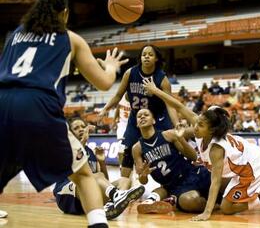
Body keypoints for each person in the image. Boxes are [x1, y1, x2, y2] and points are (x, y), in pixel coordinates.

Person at [0, 0, 128, 228]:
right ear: (65, 14)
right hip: (37, 104)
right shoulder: (69, 38)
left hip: (3, 102)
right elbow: (103, 83)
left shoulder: (13, 35)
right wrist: (110, 66)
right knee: (83, 176)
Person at [142, 79, 260, 221]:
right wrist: (155, 90)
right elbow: (178, 105)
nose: (195, 126)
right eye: (197, 122)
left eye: (200, 125)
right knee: (223, 188)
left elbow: (215, 182)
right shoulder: (202, 125)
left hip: (253, 167)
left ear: (211, 131)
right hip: (244, 160)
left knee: (226, 208)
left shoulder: (216, 149)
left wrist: (207, 212)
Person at [98, 45, 178, 190]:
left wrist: (176, 123)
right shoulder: (130, 73)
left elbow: (170, 104)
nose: (146, 56)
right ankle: (124, 189)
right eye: (143, 54)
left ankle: (168, 187)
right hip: (137, 118)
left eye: (150, 54)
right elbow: (117, 96)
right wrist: (105, 109)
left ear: (156, 58)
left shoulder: (162, 79)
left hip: (158, 119)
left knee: (165, 151)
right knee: (128, 151)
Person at [53, 118, 145, 220]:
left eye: (83, 127)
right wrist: (82, 142)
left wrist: (102, 162)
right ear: (70, 133)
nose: (81, 129)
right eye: (76, 128)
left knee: (125, 180)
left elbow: (104, 181)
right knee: (93, 177)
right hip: (66, 195)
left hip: (88, 195)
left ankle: (110, 205)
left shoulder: (91, 152)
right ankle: (117, 196)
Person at [132, 109, 213, 214]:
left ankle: (170, 200)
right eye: (139, 116)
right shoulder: (137, 148)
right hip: (172, 186)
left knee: (220, 180)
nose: (142, 117)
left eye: (146, 115)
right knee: (189, 201)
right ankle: (213, 205)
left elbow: (193, 157)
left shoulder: (169, 135)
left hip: (191, 174)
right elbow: (143, 181)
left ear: (153, 121)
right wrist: (144, 174)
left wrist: (181, 139)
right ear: (137, 124)